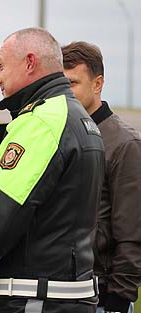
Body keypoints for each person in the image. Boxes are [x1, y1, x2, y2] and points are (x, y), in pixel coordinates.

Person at [0, 27, 105, 313]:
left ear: (30, 62)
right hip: (71, 295)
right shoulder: (81, 120)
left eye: (1, 66)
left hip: (35, 299)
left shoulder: (41, 121)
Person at [62, 41, 141, 313]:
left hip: (103, 297)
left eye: (72, 83)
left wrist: (118, 300)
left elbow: (133, 233)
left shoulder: (124, 144)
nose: (65, 93)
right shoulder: (61, 135)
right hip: (60, 290)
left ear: (97, 84)